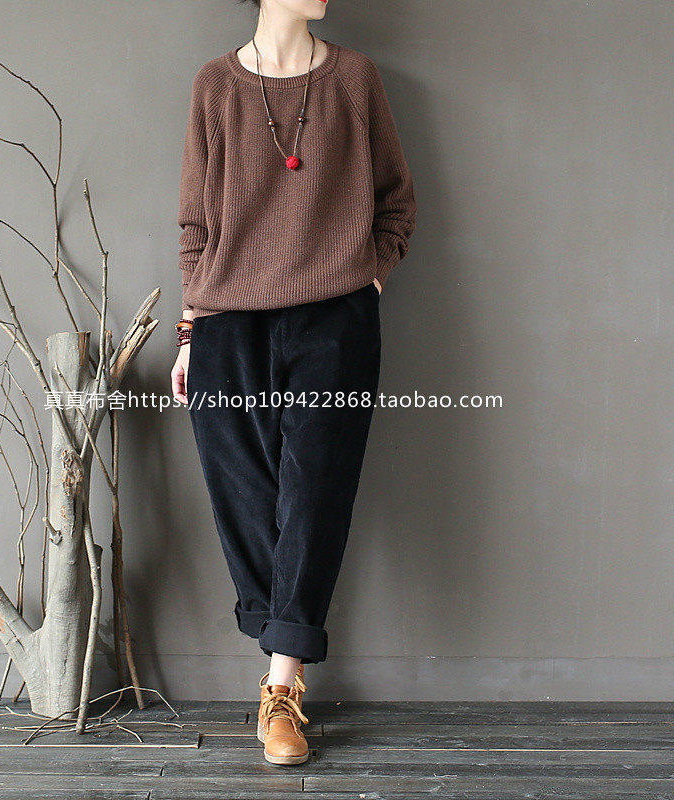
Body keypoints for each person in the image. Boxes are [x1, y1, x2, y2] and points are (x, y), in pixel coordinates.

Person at [170, 0, 416, 766]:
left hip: (333, 322)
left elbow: (396, 202)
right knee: (244, 493)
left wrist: (366, 283)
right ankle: (280, 641)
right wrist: (189, 332)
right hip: (226, 324)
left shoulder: (355, 80)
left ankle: (282, 686)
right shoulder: (215, 86)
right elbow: (195, 226)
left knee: (314, 492)